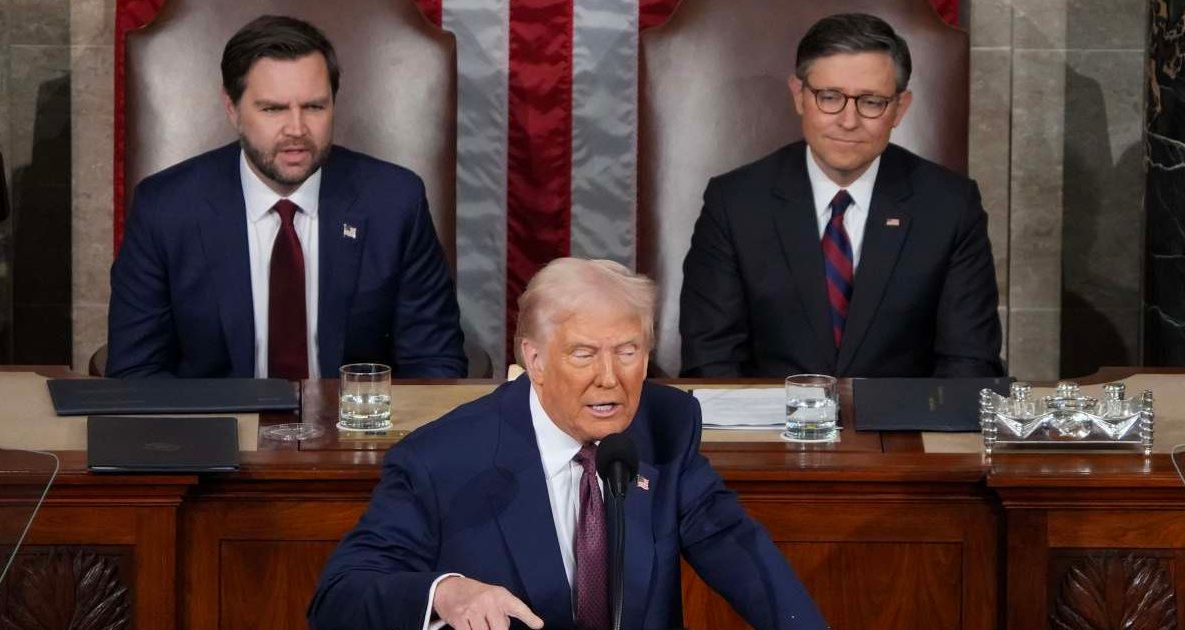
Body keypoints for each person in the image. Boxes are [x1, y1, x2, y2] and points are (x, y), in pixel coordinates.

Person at [308, 258, 827, 630]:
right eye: (583, 354)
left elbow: (740, 552)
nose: (610, 379)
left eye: (628, 351)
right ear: (534, 360)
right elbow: (339, 597)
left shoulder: (665, 425)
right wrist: (443, 592)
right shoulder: (442, 458)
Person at [107, 15, 466, 379]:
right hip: (219, 429)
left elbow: (433, 365)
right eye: (273, 109)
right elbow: (137, 372)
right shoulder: (165, 208)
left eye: (314, 107)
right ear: (232, 109)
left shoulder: (394, 202)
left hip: (359, 429)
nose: (296, 130)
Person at [679, 13, 1003, 379]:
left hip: (904, 430)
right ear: (799, 96)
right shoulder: (734, 203)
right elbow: (711, 361)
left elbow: (969, 362)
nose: (848, 121)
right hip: (768, 430)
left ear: (900, 107)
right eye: (829, 97)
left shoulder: (950, 205)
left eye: (871, 102)